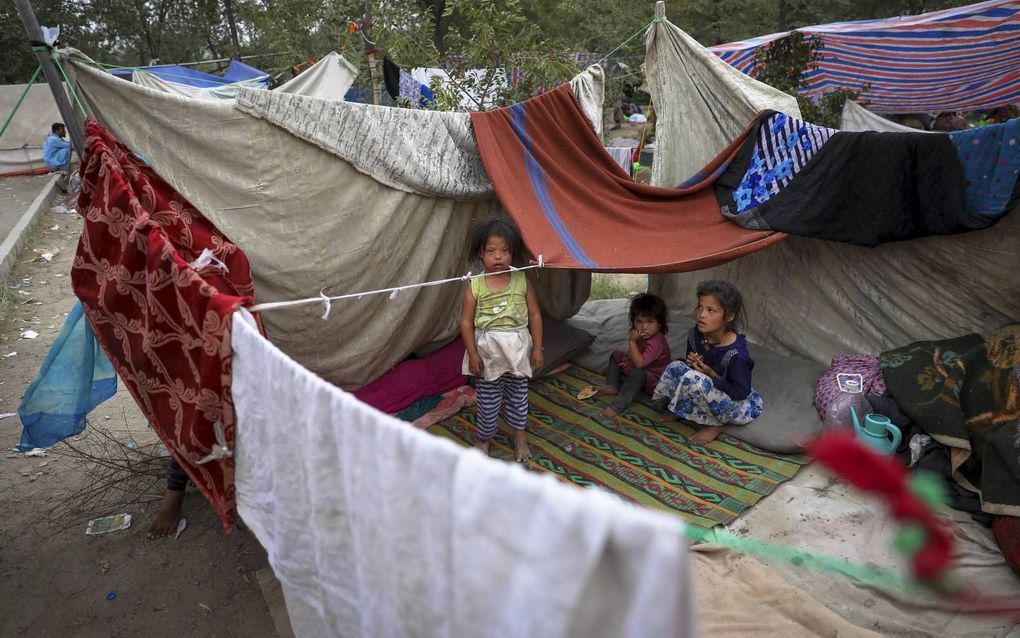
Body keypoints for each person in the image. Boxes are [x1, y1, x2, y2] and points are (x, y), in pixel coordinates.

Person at [460, 217, 543, 463]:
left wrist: (537, 348)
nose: (499, 257)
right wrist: (473, 354)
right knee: (488, 402)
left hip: (518, 351)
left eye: (504, 251)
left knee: (519, 397)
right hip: (488, 354)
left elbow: (535, 315)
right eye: (492, 251)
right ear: (480, 253)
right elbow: (465, 322)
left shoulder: (521, 279)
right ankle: (483, 439)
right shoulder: (475, 285)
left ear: (512, 252)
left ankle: (519, 435)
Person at [653, 280, 763, 445]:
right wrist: (692, 362)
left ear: (729, 316)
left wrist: (710, 374)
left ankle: (717, 424)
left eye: (711, 310)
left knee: (694, 380)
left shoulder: (736, 355)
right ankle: (681, 408)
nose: (701, 315)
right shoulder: (695, 334)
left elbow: (740, 393)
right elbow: (689, 368)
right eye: (700, 307)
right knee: (676, 367)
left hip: (737, 403)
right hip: (709, 385)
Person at [597, 293, 671, 419]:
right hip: (642, 367)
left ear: (659, 323)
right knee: (616, 354)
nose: (643, 327)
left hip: (655, 380)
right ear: (633, 321)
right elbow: (636, 354)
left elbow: (640, 364)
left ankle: (617, 406)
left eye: (649, 322)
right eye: (639, 321)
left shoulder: (656, 341)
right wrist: (628, 359)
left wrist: (632, 342)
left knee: (638, 373)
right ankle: (612, 385)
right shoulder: (639, 335)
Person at [42, 123, 76, 193]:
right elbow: (71, 146)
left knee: (67, 147)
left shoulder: (56, 138)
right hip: (52, 162)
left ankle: (64, 171)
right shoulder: (54, 139)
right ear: (57, 131)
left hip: (52, 161)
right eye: (63, 130)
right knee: (67, 149)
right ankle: (63, 169)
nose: (65, 132)